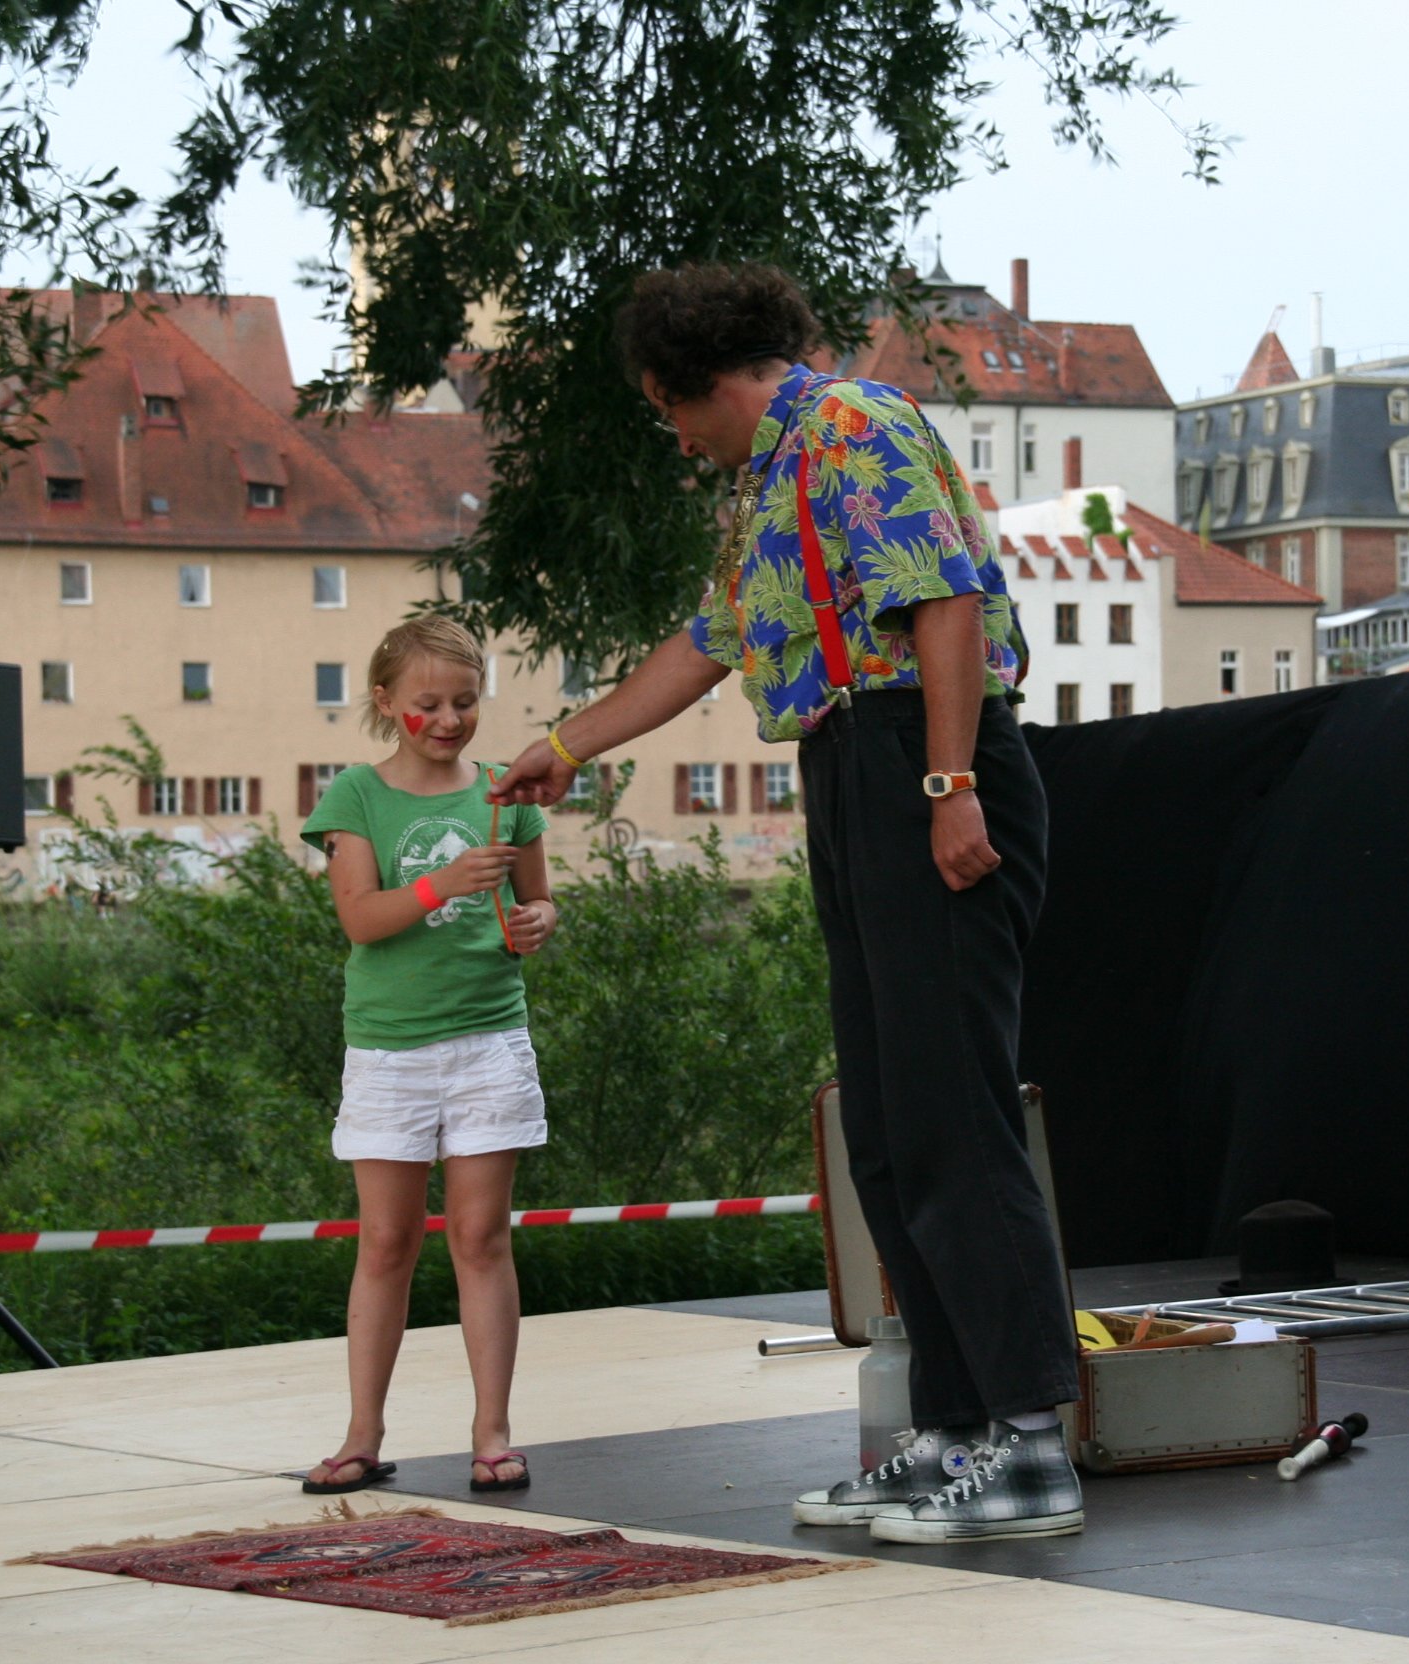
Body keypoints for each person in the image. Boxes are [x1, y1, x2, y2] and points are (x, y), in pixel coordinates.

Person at [489, 263, 1083, 1543]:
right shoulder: (769, 482)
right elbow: (709, 641)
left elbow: (943, 597)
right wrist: (569, 744)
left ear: (690, 384)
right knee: (888, 1129)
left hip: (924, 755)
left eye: (667, 412)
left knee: (956, 1117)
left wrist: (949, 783)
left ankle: (1033, 1444)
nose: (675, 438)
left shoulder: (856, 424)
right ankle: (954, 1434)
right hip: (847, 766)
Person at [295, 617, 560, 1496]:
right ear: (385, 702)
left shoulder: (507, 793)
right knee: (386, 1242)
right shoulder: (355, 798)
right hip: (391, 1051)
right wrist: (439, 884)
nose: (448, 720)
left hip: (489, 1040)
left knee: (481, 1237)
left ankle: (492, 1433)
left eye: (464, 702)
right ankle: (361, 1434)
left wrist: (537, 923)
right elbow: (360, 919)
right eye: (429, 704)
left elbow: (541, 903)